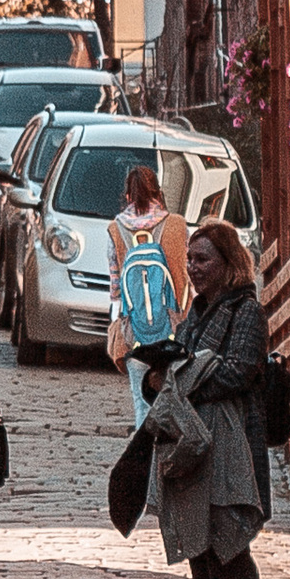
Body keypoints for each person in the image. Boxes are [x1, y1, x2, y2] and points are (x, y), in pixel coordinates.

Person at [159, 218, 270, 579]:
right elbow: (183, 368)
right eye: (191, 260)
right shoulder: (198, 313)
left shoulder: (246, 310)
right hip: (198, 446)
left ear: (228, 263)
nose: (194, 268)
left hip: (232, 448)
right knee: (202, 553)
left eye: (203, 259)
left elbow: (240, 370)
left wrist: (185, 374)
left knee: (229, 551)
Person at [105, 163, 189, 426]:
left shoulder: (114, 230)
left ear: (128, 195)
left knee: (142, 406)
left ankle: (146, 463)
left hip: (136, 334)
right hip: (175, 331)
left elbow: (116, 289)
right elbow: (187, 277)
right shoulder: (177, 225)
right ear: (158, 192)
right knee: (177, 403)